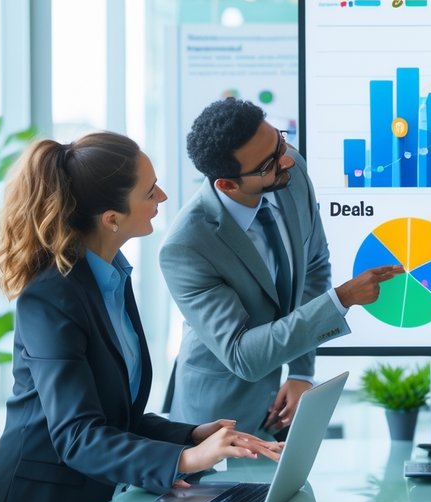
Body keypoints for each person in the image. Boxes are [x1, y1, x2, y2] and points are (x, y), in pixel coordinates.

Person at [0, 133, 281, 502]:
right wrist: (187, 458)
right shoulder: (50, 298)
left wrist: (190, 435)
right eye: (150, 191)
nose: (163, 197)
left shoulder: (112, 278)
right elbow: (78, 436)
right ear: (111, 218)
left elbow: (115, 419)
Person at [161, 98, 402, 437]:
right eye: (268, 164)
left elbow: (314, 265)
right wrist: (342, 299)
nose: (286, 159)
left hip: (286, 406)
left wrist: (301, 370)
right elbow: (242, 355)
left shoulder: (291, 169)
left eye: (280, 141)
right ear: (227, 184)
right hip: (219, 414)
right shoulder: (187, 245)